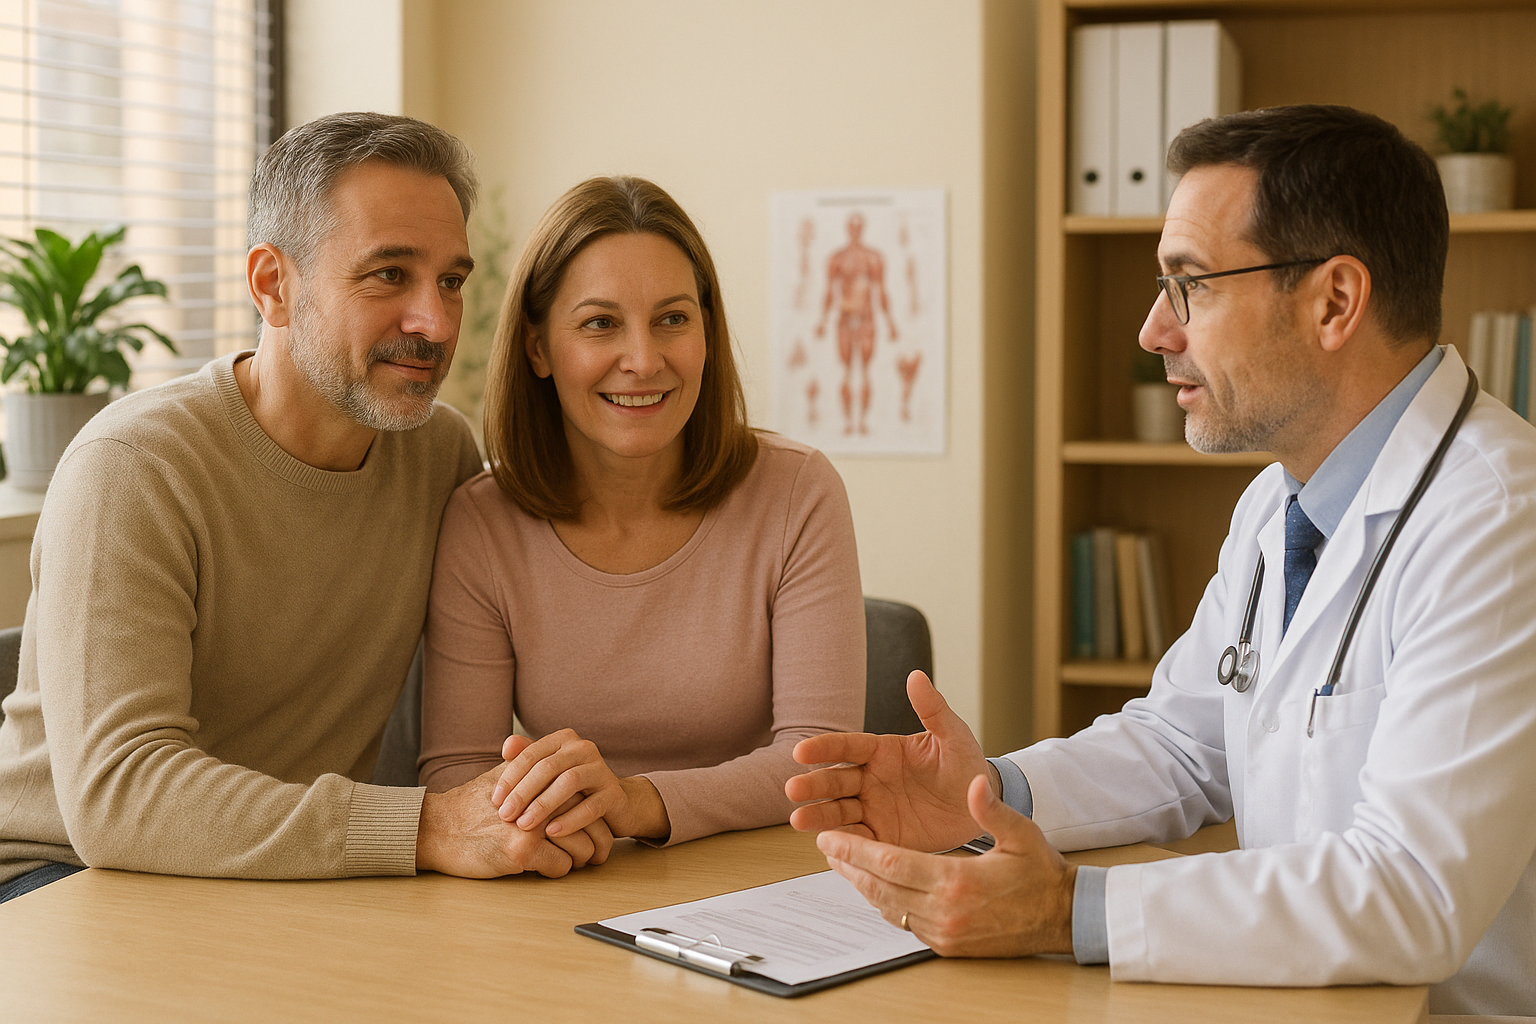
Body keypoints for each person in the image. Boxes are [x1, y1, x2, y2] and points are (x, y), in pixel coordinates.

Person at [786, 105, 1536, 1016]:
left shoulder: (1500, 521)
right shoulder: (1278, 501)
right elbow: (1184, 744)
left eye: (1191, 286)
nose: (1153, 330)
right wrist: (989, 793)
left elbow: (1415, 890)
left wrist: (1069, 912)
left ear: (1335, 302)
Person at [0, 112, 613, 905]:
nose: (434, 321)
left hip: (282, 878)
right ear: (272, 286)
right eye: (389, 274)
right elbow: (121, 796)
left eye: (451, 281)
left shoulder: (438, 456)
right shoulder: (133, 469)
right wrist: (429, 828)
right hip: (63, 885)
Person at [417, 176, 866, 852]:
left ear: (706, 334)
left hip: (760, 875)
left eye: (672, 319)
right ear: (539, 349)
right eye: (600, 324)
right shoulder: (482, 523)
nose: (643, 359)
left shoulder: (798, 492)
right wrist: (556, 819)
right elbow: (457, 775)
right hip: (569, 873)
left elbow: (820, 758)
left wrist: (640, 801)